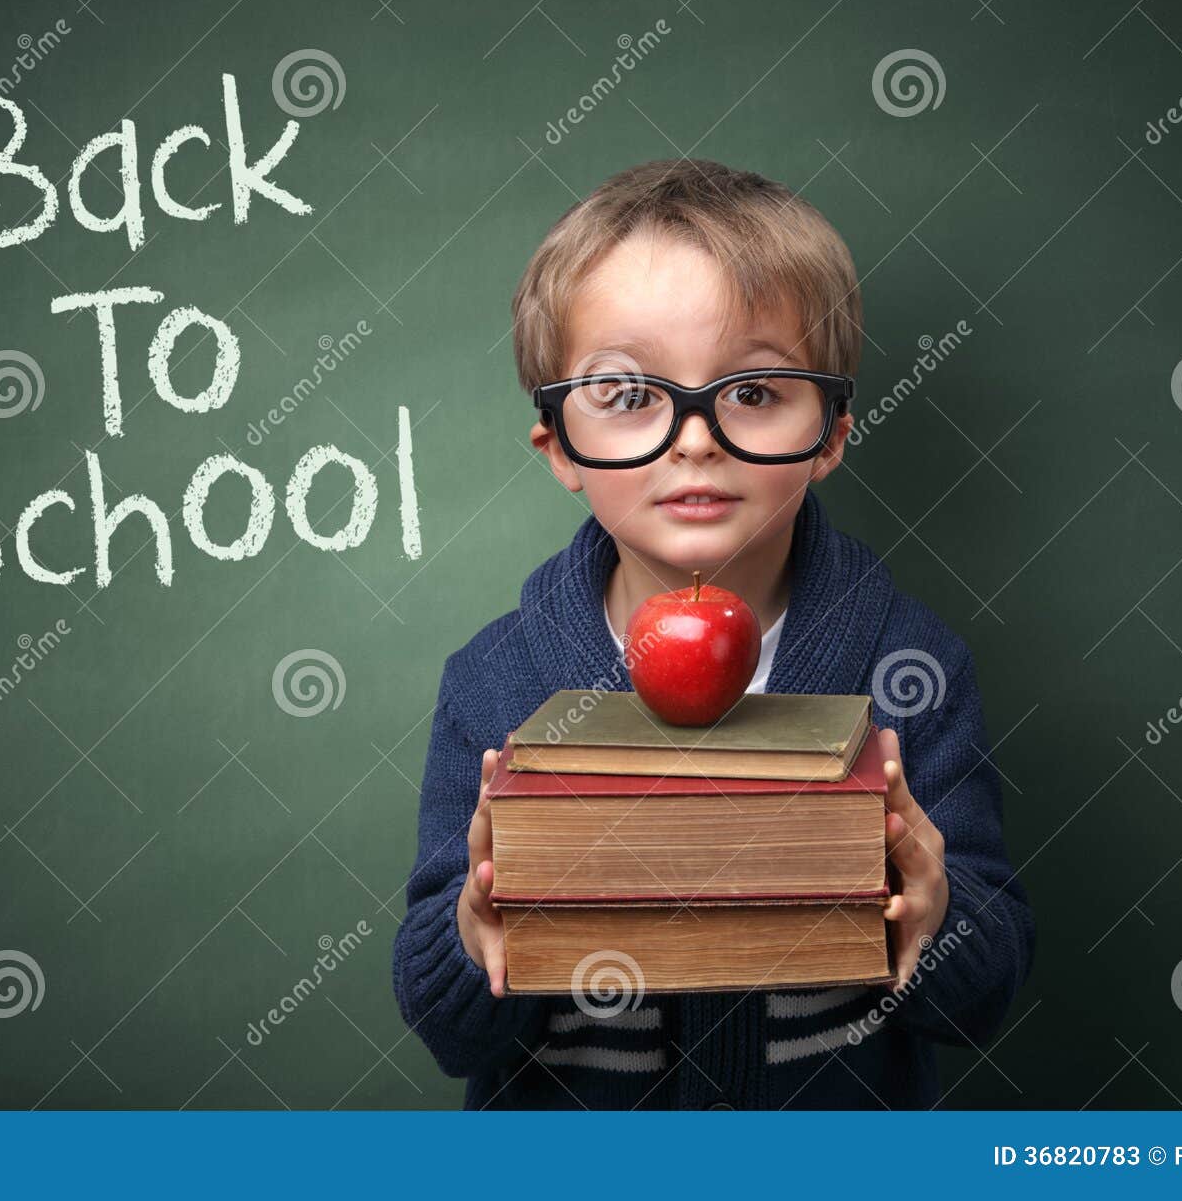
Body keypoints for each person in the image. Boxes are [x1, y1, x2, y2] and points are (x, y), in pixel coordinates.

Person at [390, 159, 1035, 1110]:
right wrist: (475, 930)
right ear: (559, 446)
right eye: (626, 394)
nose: (696, 438)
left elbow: (987, 990)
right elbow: (447, 1026)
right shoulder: (497, 679)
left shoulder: (910, 665)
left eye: (755, 391)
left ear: (832, 432)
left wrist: (933, 919)